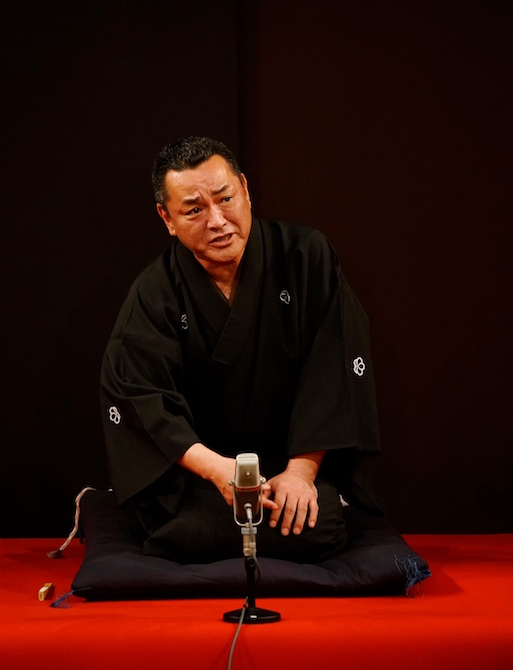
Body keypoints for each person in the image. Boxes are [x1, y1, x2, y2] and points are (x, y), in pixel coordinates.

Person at [100, 137, 381, 564]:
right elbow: (141, 398)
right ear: (167, 218)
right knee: (183, 529)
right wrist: (219, 470)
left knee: (318, 522)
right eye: (194, 210)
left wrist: (300, 473)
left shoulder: (305, 256)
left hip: (287, 461)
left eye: (225, 198)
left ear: (245, 190)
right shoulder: (154, 294)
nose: (217, 221)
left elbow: (332, 368)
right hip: (201, 474)